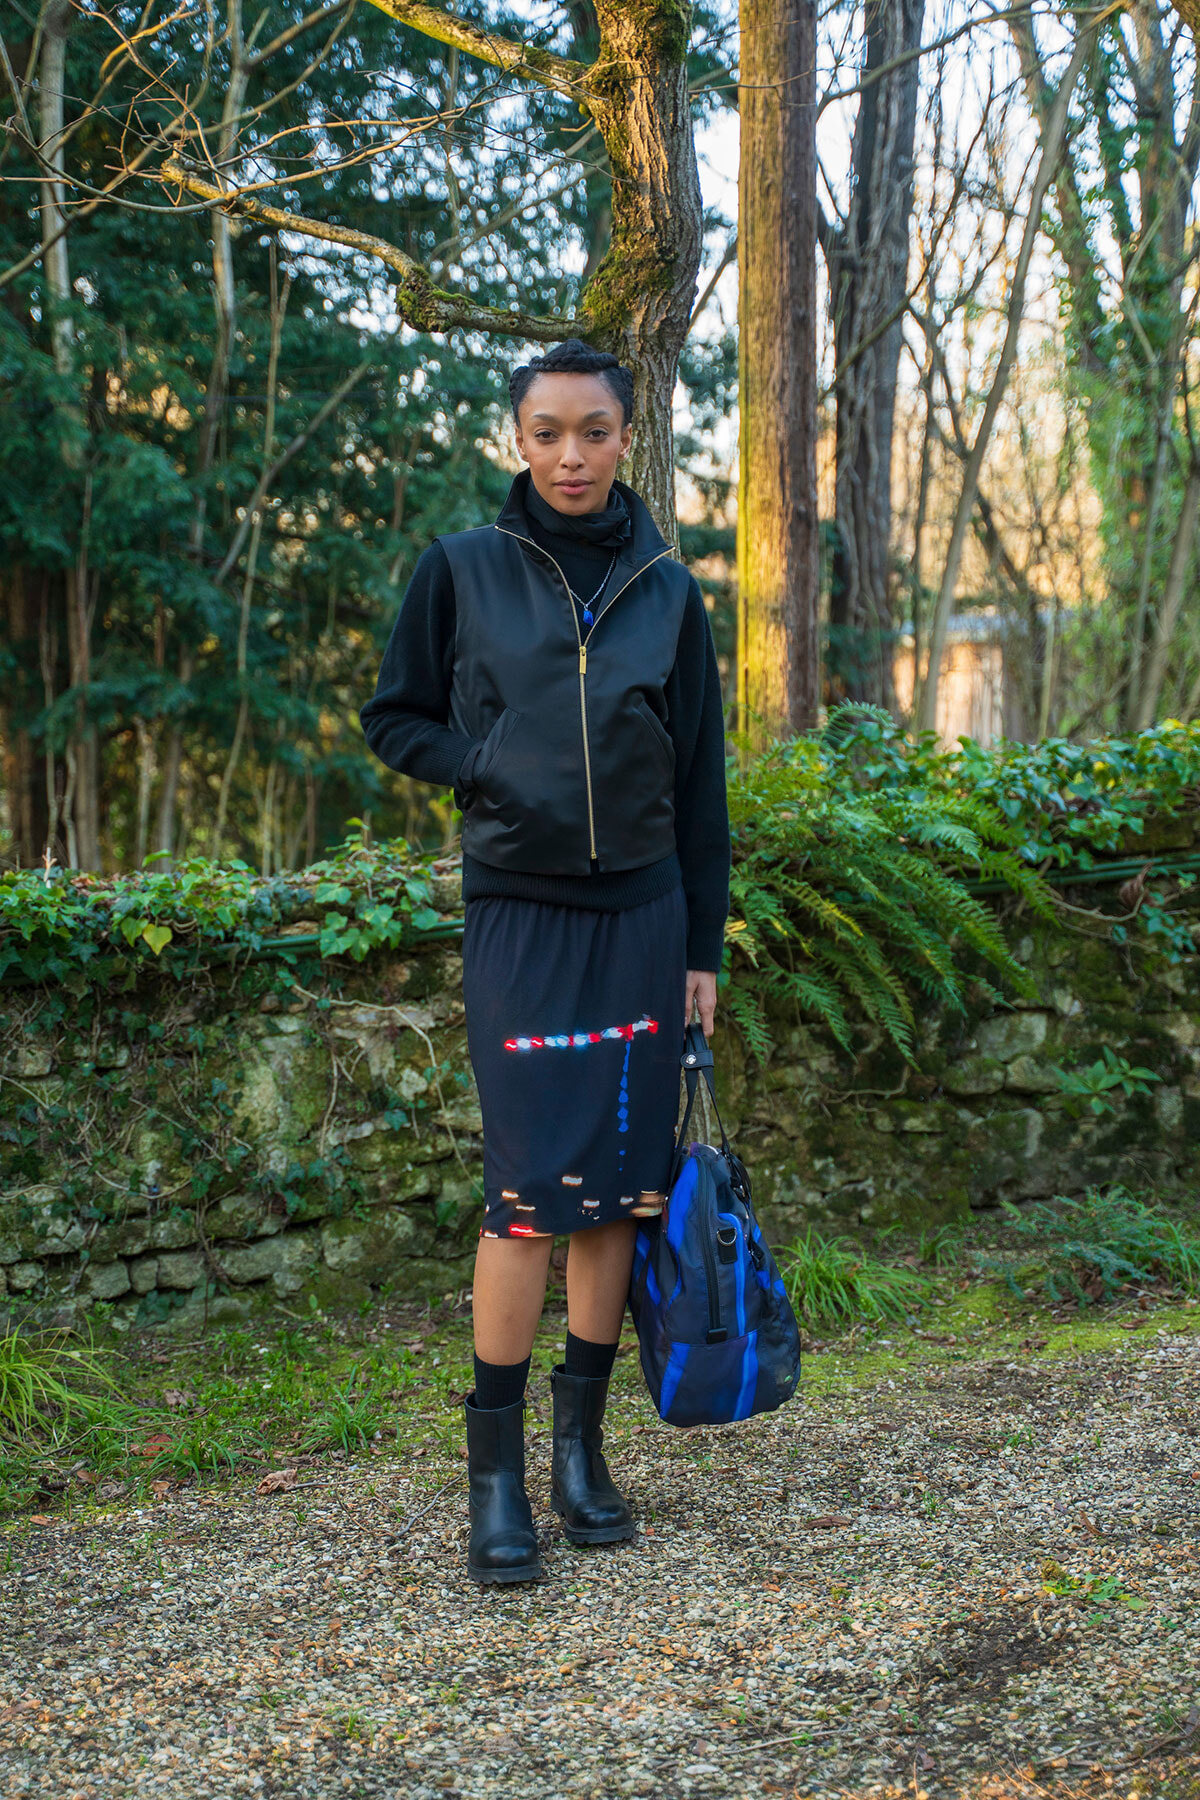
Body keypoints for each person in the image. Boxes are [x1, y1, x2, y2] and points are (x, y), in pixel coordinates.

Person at [360, 338, 731, 1584]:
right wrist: (483, 765)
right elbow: (394, 717)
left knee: (621, 1194)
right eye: (548, 433)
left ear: (627, 438)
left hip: (643, 921)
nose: (572, 455)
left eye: (595, 431)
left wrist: (701, 947)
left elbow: (701, 789)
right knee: (526, 1195)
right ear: (516, 440)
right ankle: (496, 1479)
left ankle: (583, 1457)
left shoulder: (668, 591)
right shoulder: (462, 568)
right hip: (521, 917)